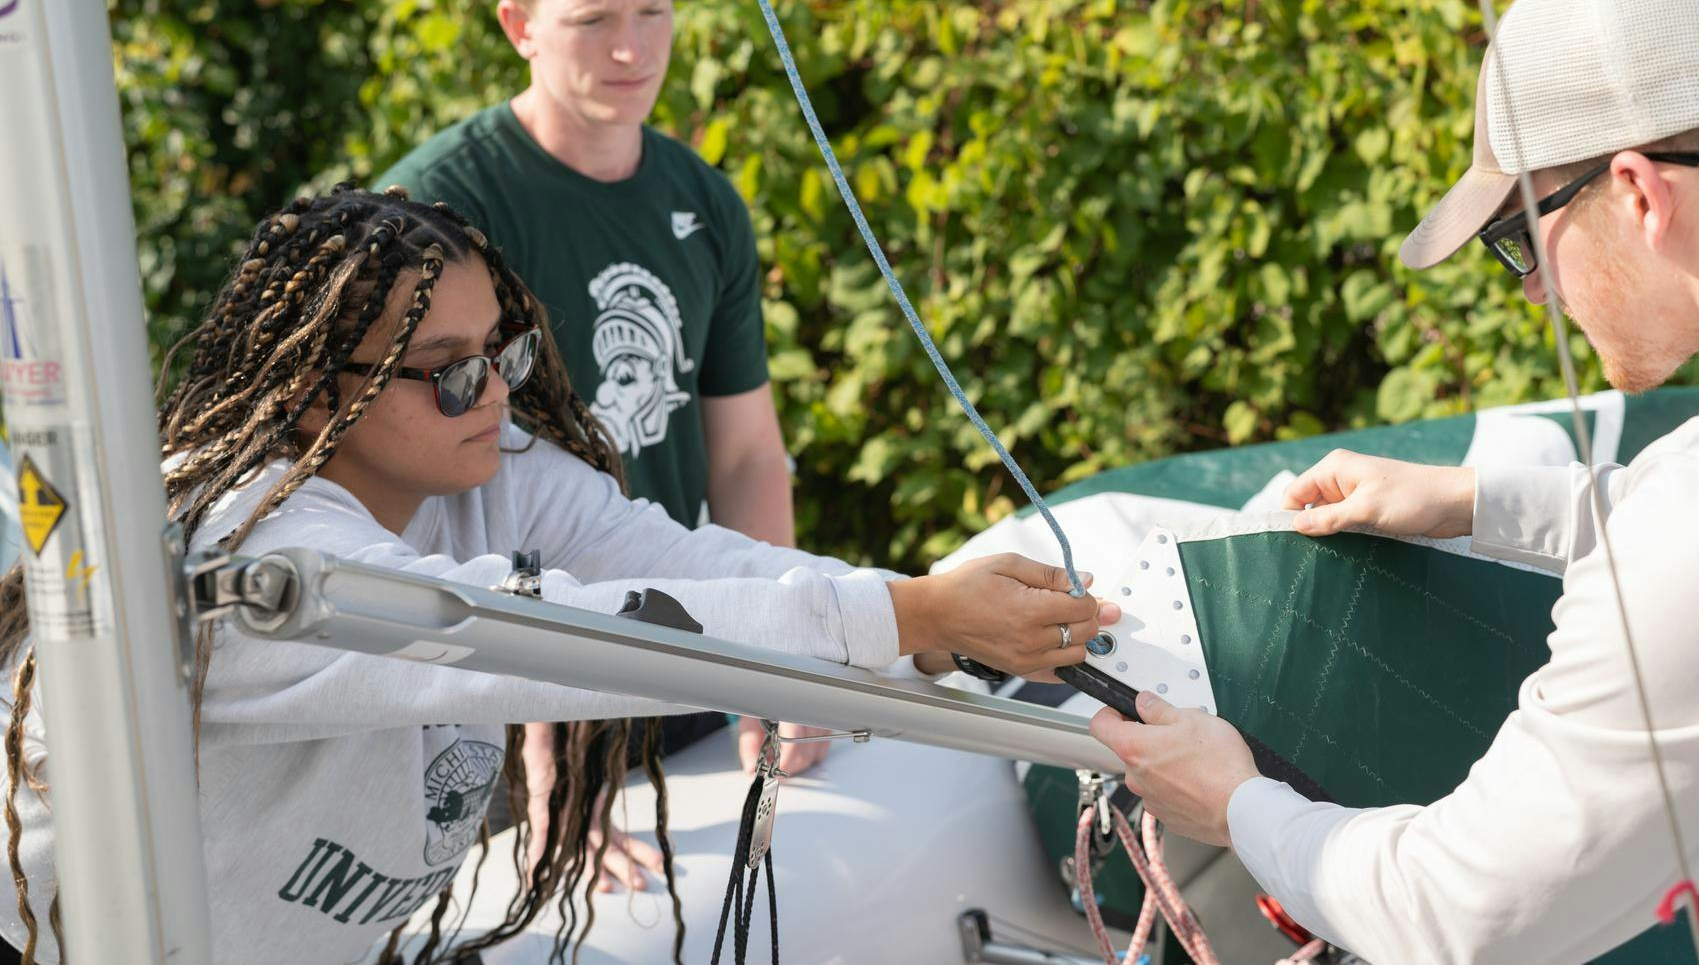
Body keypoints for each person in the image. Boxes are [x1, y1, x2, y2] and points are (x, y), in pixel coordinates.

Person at [1092, 0, 1699, 963]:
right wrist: (1473, 497)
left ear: (1638, 191)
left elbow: (1462, 914)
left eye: (1522, 232)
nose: (1531, 286)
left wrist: (1236, 802)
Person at [0, 186, 1115, 965]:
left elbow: (682, 567)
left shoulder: (488, 471)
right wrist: (902, 609)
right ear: (307, 392)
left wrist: (915, 620)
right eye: (444, 374)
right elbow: (538, 637)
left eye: (506, 353)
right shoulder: (242, 555)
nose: (490, 394)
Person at [378, 0, 811, 829]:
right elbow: (407, 493)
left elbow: (743, 454)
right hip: (496, 697)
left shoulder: (704, 201)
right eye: (590, 20)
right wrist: (538, 713)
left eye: (653, 11)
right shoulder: (439, 211)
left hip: (673, 650)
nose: (630, 48)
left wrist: (781, 662)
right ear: (517, 26)